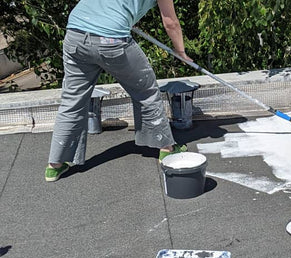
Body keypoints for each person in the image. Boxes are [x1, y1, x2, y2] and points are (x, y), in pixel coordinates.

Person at [45, 0, 192, 182]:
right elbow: (171, 22)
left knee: (71, 100)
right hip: (111, 40)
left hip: (75, 34)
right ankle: (166, 148)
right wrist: (181, 52)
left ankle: (54, 165)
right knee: (146, 91)